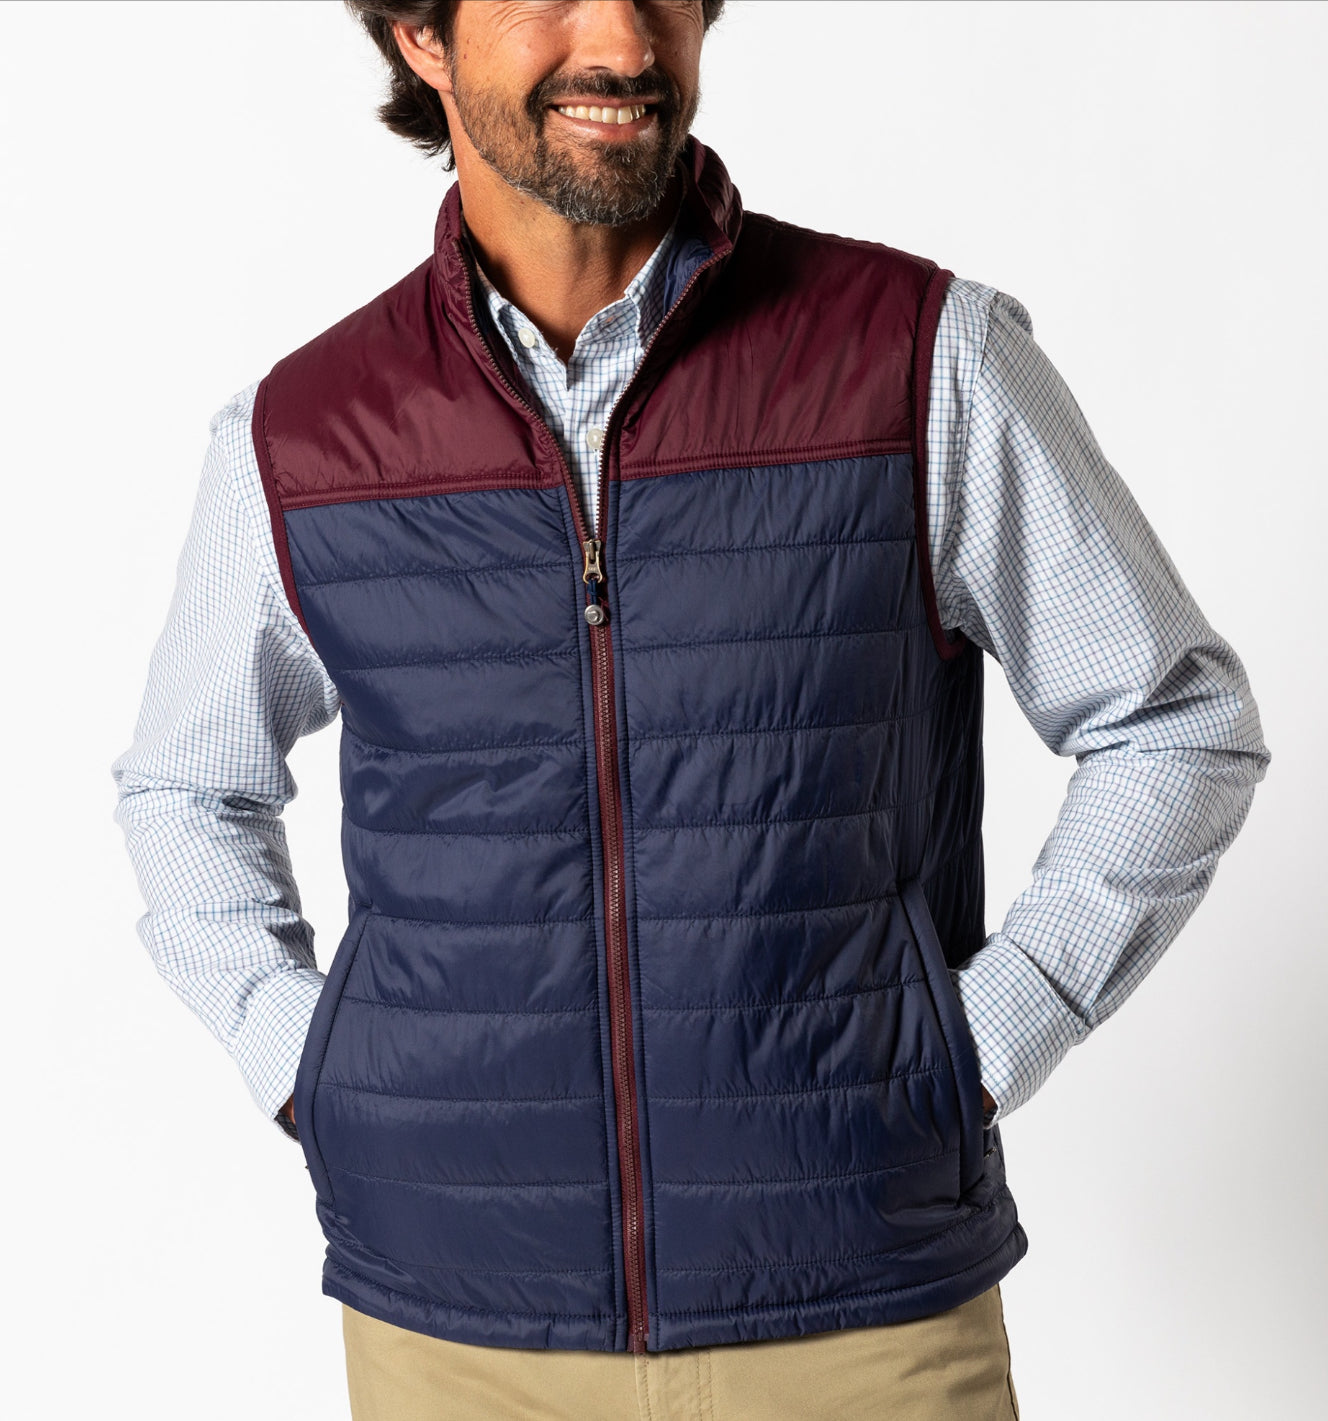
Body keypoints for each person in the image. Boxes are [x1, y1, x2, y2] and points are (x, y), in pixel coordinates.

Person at [111, 1, 1270, 1416]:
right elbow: (187, 787)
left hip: (863, 1314)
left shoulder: (919, 360)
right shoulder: (301, 437)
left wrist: (984, 1037)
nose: (622, 38)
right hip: (458, 1336)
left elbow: (1171, 718)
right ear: (422, 35)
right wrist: (318, 1070)